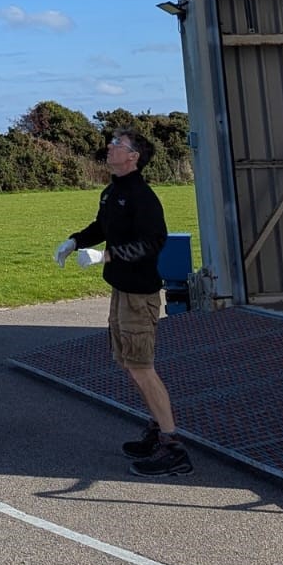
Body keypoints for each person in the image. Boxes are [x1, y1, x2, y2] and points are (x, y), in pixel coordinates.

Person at [54, 129, 192, 477]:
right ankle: (156, 429)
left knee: (142, 368)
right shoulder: (112, 191)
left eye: (118, 145)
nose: (110, 147)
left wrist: (106, 256)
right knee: (130, 365)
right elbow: (102, 225)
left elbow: (153, 241)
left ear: (133, 157)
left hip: (139, 296)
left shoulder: (142, 196)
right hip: (121, 292)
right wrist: (74, 241)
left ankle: (173, 447)